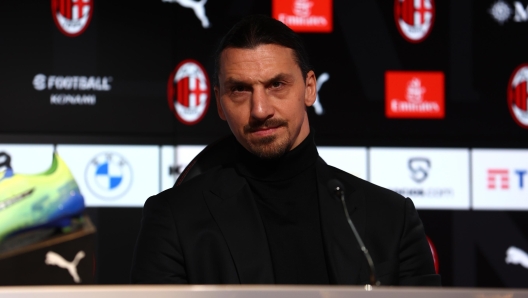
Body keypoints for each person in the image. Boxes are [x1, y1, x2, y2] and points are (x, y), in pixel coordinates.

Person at [131, 15, 440, 286]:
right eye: (240, 89)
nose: (260, 109)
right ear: (220, 103)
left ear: (309, 88)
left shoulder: (392, 218)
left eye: (277, 85)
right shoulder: (173, 219)